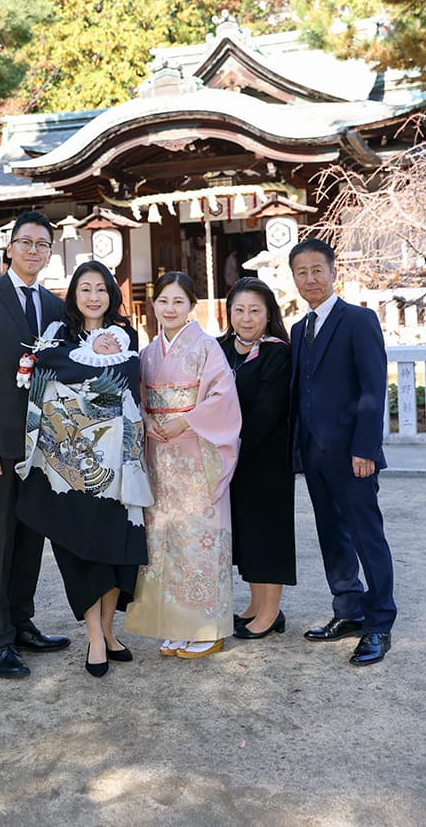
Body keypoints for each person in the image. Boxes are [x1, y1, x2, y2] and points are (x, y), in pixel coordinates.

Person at [15, 261, 152, 678]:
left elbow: (126, 377)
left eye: (102, 290)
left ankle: (109, 632)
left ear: (113, 295)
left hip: (119, 469)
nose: (94, 297)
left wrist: (88, 374)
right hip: (72, 472)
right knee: (83, 554)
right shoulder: (58, 336)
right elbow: (50, 368)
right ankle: (95, 637)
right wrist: (94, 371)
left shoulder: (126, 335)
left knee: (116, 554)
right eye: (85, 289)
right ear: (73, 294)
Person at [0, 211, 70, 680]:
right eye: (25, 242)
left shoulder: (54, 305)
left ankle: (23, 623)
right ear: (9, 248)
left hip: (40, 445)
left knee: (30, 538)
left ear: (50, 253)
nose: (33, 250)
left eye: (42, 244)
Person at [289, 237, 396, 666]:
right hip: (314, 453)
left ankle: (379, 623)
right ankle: (348, 610)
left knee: (367, 535)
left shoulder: (358, 320)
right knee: (332, 536)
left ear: (333, 272)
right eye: (302, 272)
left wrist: (365, 448)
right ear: (293, 278)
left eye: (318, 269)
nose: (310, 278)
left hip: (354, 454)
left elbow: (373, 389)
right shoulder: (300, 330)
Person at [124, 271, 241, 659]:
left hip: (195, 451)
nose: (170, 308)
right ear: (154, 305)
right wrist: (148, 419)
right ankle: (174, 625)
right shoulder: (147, 353)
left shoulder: (206, 347)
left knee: (197, 538)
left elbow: (222, 396)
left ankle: (205, 627)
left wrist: (184, 420)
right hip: (160, 451)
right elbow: (137, 396)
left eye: (178, 301)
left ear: (192, 306)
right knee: (164, 541)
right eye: (163, 301)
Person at [219, 278, 296, 641]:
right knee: (246, 534)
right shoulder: (220, 348)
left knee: (268, 533)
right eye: (239, 310)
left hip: (265, 458)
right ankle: (255, 604)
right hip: (231, 459)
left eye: (255, 311)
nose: (246, 318)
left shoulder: (277, 352)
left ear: (268, 315)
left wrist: (231, 447)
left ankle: (270, 612)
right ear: (228, 312)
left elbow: (268, 410)